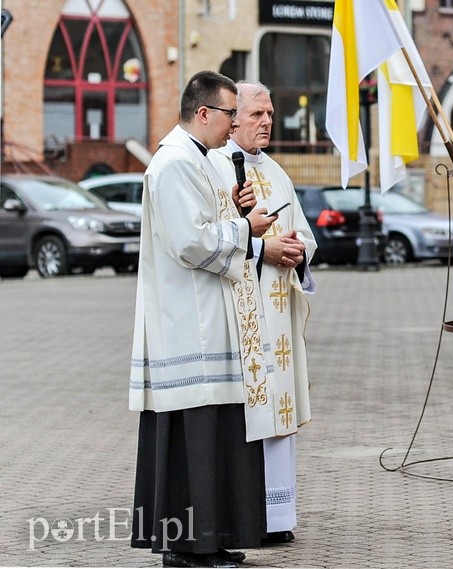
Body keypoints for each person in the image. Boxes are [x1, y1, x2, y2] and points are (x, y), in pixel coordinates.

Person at [129, 70, 279, 567]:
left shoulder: (203, 160)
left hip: (210, 321)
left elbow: (205, 224)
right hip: (187, 327)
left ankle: (212, 540)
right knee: (194, 439)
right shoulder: (173, 164)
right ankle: (187, 548)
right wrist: (246, 229)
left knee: (217, 435)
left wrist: (233, 212)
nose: (235, 123)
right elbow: (190, 243)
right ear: (203, 114)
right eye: (231, 113)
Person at [210, 81, 317, 545]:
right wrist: (262, 249)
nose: (267, 122)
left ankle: (278, 515)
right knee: (248, 413)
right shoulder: (212, 165)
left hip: (279, 314)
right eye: (257, 114)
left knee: (280, 410)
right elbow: (211, 239)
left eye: (270, 113)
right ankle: (247, 513)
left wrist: (297, 250)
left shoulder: (276, 171)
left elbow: (304, 234)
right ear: (232, 118)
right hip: (243, 316)